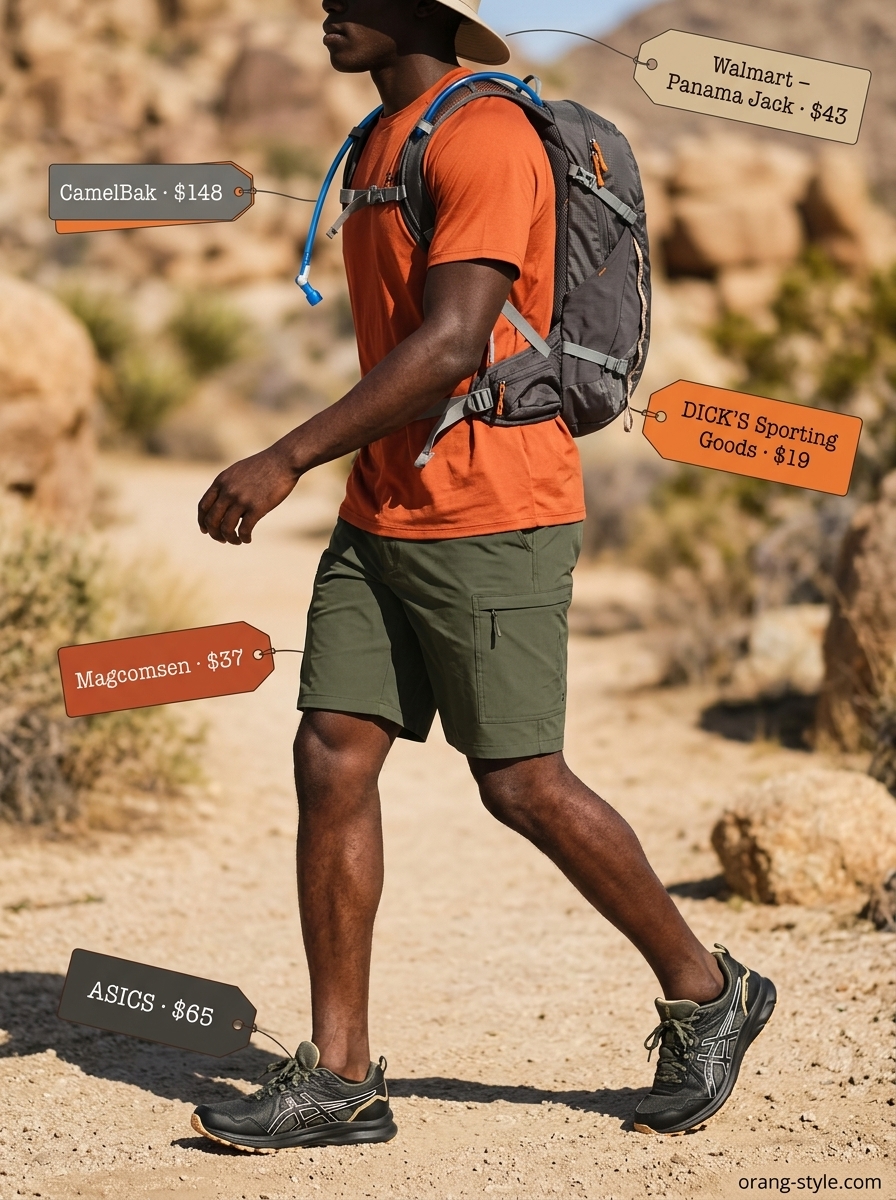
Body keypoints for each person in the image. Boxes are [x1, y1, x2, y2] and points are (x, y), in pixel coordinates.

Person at [191, 0, 776, 1151]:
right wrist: (341, 468)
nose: (327, 15)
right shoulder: (375, 143)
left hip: (492, 510)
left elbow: (456, 341)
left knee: (519, 783)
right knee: (331, 751)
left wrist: (285, 456)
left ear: (416, 13)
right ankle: (342, 1076)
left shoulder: (483, 139)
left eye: (351, 1)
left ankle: (709, 991)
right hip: (386, 507)